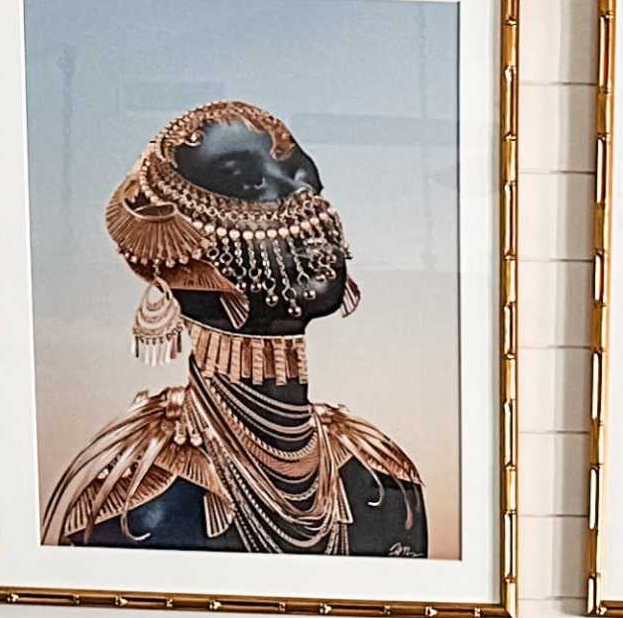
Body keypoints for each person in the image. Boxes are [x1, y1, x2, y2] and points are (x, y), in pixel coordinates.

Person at [44, 100, 428, 559]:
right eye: (247, 183)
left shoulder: (382, 475)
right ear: (174, 242)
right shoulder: (132, 501)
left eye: (305, 176)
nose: (304, 203)